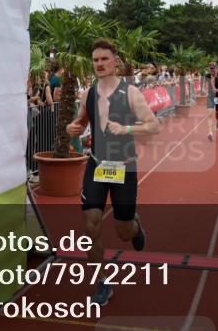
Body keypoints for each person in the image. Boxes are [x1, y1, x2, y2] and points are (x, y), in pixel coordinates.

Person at [66, 39, 159, 306]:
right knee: (91, 224)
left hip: (124, 166)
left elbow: (153, 126)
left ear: (115, 61)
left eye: (104, 59)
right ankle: (102, 282)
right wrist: (73, 127)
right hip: (97, 164)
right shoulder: (88, 94)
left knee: (123, 231)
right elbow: (82, 121)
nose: (99, 64)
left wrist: (127, 129)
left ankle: (135, 226)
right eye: (95, 60)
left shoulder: (131, 93)